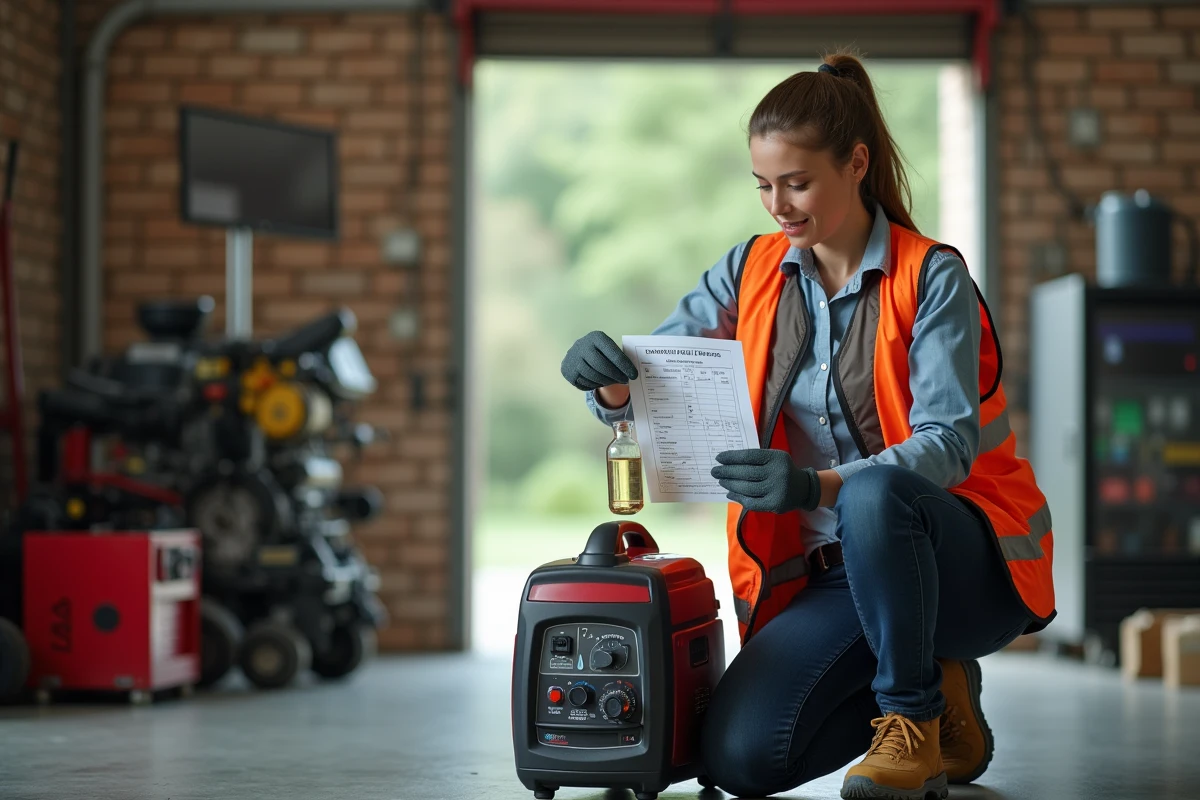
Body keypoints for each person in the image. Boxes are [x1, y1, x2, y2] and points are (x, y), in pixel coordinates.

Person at [558, 52, 1055, 800]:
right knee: (740, 760)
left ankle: (910, 721)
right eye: (763, 185)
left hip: (964, 564)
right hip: (837, 576)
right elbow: (661, 377)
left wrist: (815, 484)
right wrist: (614, 386)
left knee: (871, 496)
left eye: (796, 183)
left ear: (856, 164)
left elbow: (949, 445)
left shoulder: (932, 277)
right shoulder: (749, 270)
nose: (778, 206)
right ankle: (936, 683)